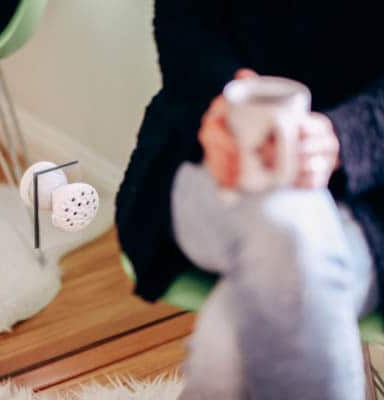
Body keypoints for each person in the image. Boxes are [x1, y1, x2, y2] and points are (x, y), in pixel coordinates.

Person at [115, 1, 383, 399]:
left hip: (373, 195)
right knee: (287, 227)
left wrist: (344, 138)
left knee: (231, 339)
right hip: (211, 154)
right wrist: (219, 99)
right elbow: (184, 19)